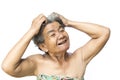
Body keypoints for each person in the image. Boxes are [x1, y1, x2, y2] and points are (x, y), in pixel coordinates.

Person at [1, 12, 110, 80]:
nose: (61, 35)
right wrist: (32, 31)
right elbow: (8, 66)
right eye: (53, 34)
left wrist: (69, 23)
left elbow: (104, 33)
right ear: (43, 46)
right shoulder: (37, 63)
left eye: (61, 30)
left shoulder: (79, 58)